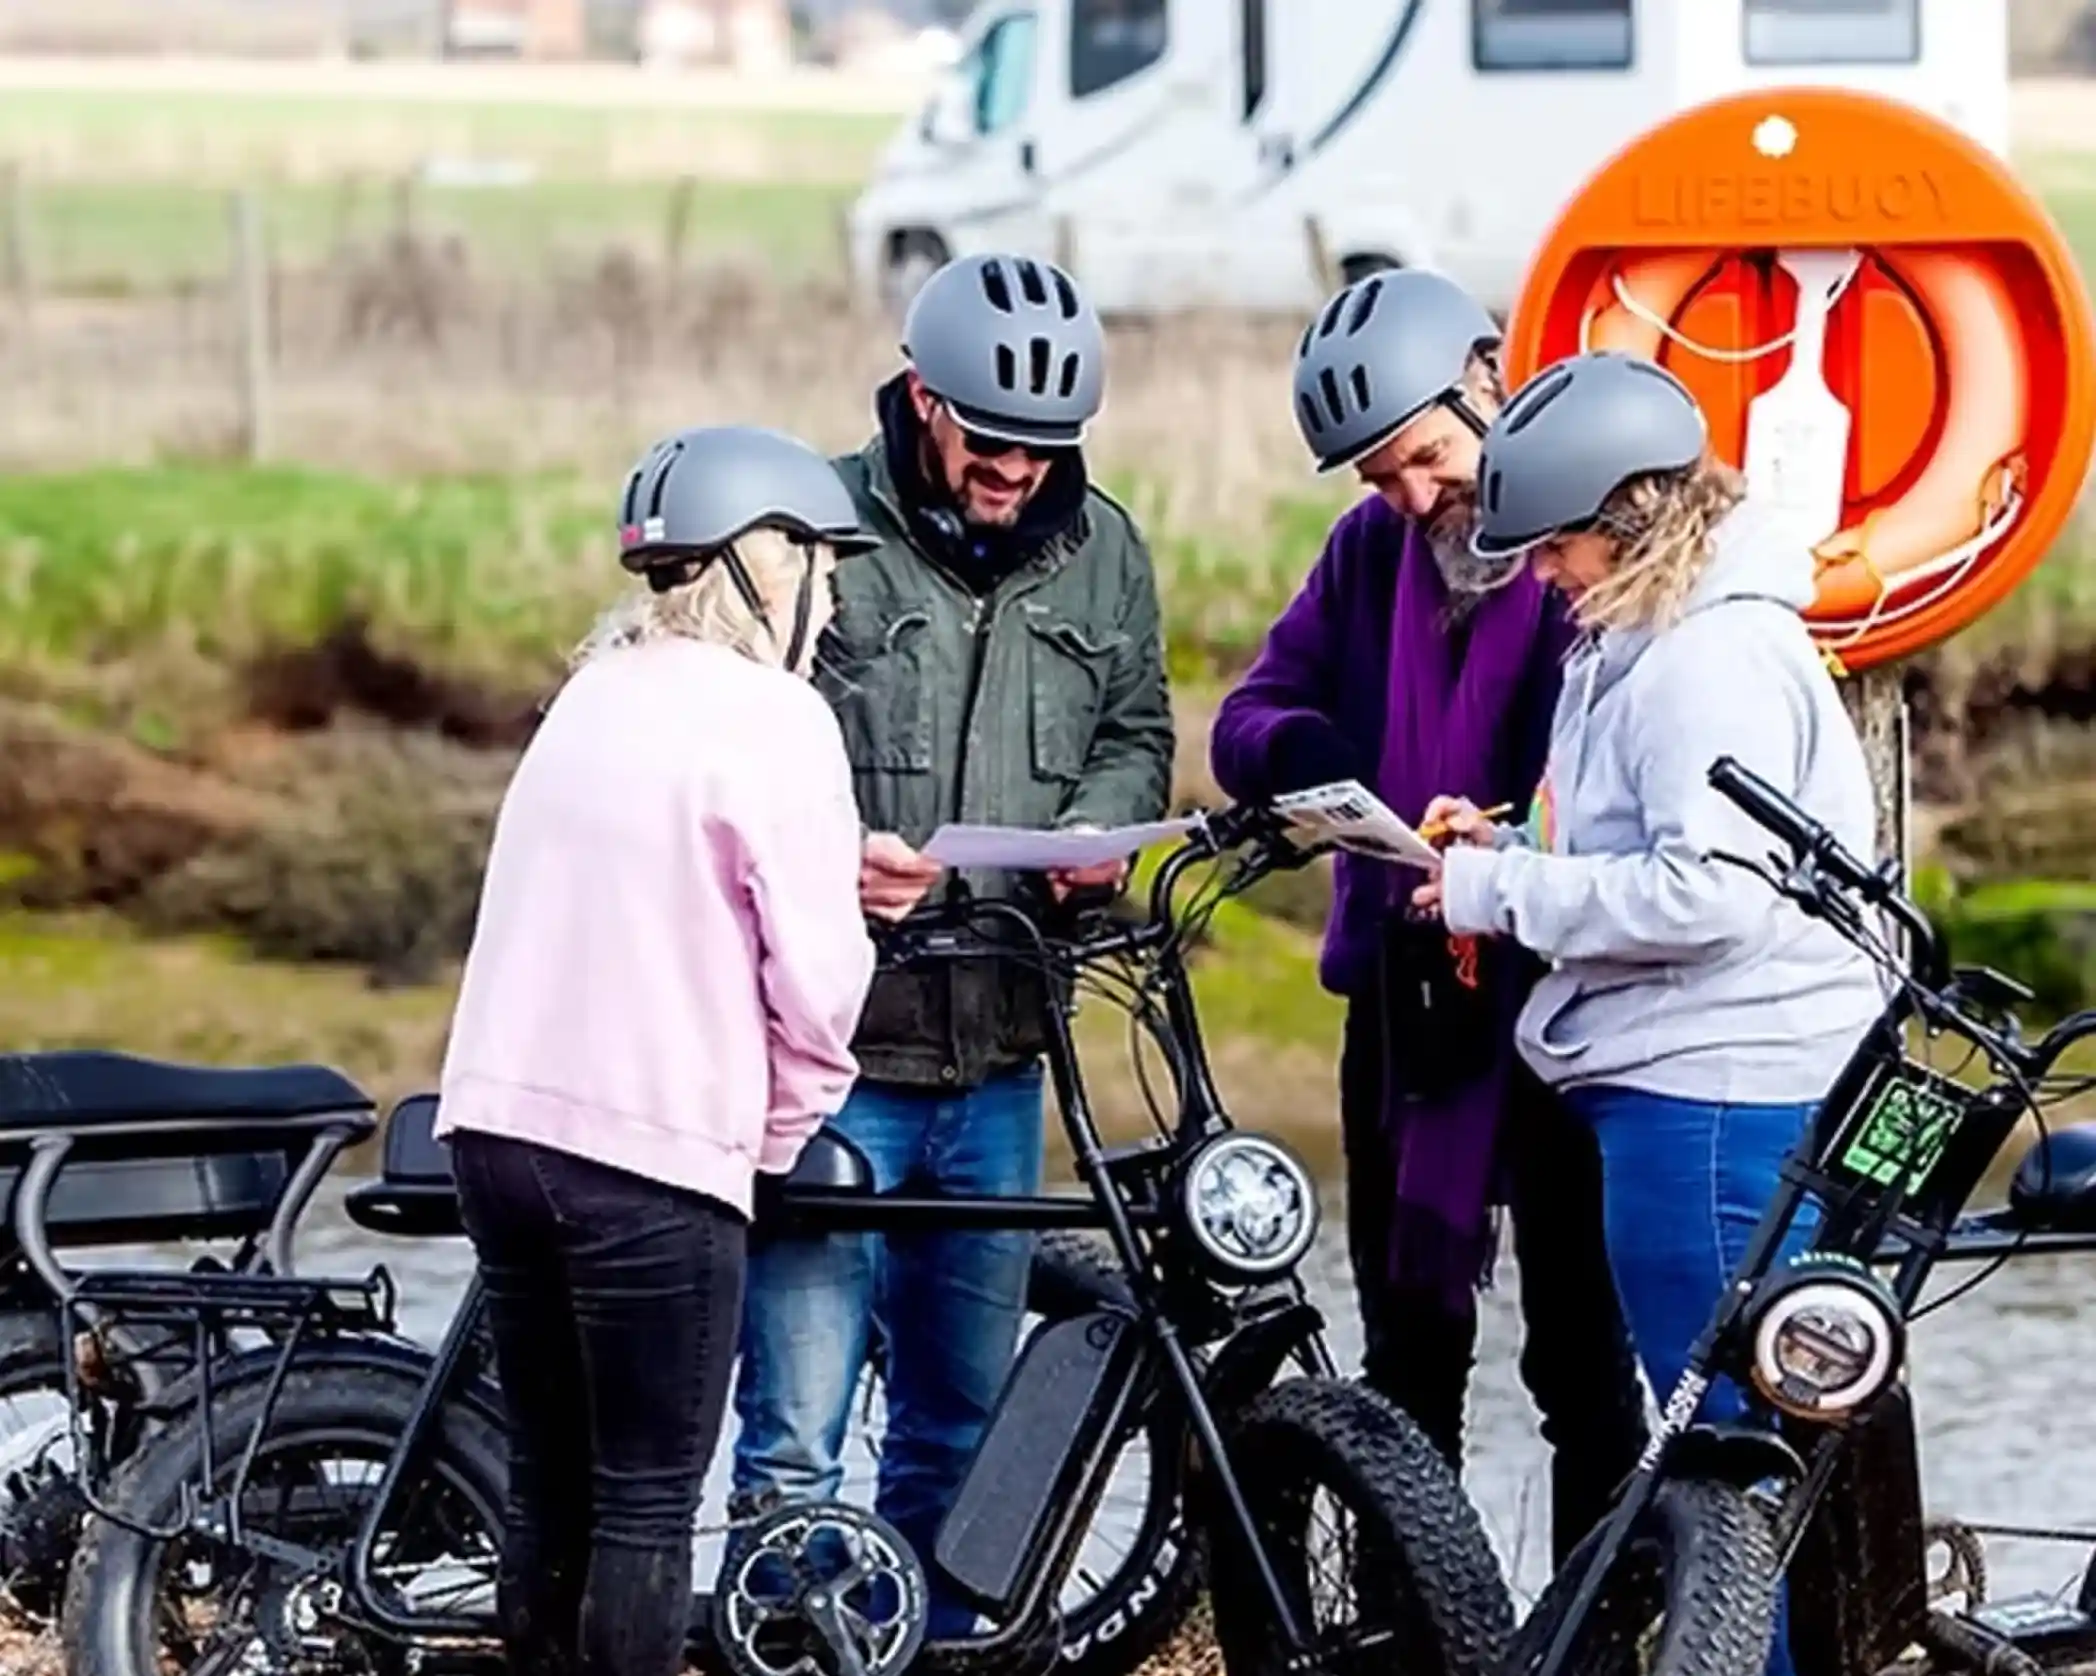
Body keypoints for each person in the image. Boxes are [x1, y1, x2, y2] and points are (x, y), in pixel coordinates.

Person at [727, 252, 1175, 1637]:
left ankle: (933, 1650)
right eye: (989, 441)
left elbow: (1138, 733)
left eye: (1045, 450)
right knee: (795, 1424)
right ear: (923, 398)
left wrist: (1105, 828)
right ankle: (800, 1649)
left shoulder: (1108, 550)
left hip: (1004, 1057)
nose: (1015, 473)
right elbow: (724, 744)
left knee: (958, 1417)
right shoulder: (809, 527)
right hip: (829, 1057)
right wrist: (827, 860)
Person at [1417, 351, 1884, 1675]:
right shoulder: (1653, 637)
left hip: (1718, 1093)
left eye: (1555, 548)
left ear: (1627, 521)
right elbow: (1639, 830)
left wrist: (1495, 892)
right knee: (1730, 1434)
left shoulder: (1704, 660)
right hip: (1688, 1083)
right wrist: (1512, 840)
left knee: (1731, 1445)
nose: (1543, 575)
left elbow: (1708, 895)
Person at [1209, 270, 1648, 1567]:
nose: (1410, 497)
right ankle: (1422, 1635)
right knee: (1410, 1362)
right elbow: (1246, 716)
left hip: (1563, 1015)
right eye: (1377, 477)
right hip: (1405, 1010)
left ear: (1489, 386)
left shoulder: (1581, 562)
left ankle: (1596, 1638)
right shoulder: (1366, 554)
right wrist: (1315, 754)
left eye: (1425, 458)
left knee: (1584, 1367)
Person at [435, 425, 880, 1676]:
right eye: (823, 566)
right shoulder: (777, 717)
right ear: (764, 566)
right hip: (647, 1156)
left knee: (547, 1488)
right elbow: (822, 978)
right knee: (641, 1506)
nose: (833, 596)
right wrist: (781, 1135)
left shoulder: (592, 691)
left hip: (498, 1130)